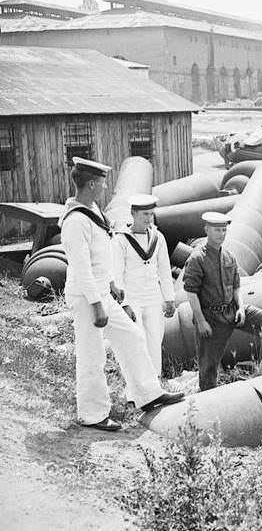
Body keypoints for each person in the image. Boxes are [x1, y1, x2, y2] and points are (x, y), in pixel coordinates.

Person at [60, 158, 184, 432]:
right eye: (103, 181)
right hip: (87, 298)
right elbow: (81, 269)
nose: (105, 186)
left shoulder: (92, 212)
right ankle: (92, 415)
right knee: (92, 355)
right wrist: (96, 305)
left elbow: (99, 258)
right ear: (92, 184)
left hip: (102, 292)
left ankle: (148, 394)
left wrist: (112, 285)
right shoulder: (75, 221)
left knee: (133, 336)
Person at [181, 212, 262, 391]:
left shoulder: (229, 256)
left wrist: (241, 308)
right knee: (208, 367)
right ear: (207, 230)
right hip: (210, 317)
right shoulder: (197, 259)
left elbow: (236, 287)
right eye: (217, 230)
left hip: (232, 310)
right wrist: (201, 321)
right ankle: (207, 400)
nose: (221, 234)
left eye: (224, 230)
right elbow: (191, 292)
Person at [112, 194, 176, 388]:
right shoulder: (121, 239)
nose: (148, 219)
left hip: (153, 297)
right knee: (136, 343)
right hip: (132, 297)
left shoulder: (158, 238)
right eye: (144, 214)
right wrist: (124, 304)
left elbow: (164, 270)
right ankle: (135, 389)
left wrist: (169, 298)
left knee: (155, 341)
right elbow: (116, 273)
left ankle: (154, 385)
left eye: (151, 214)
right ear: (133, 214)